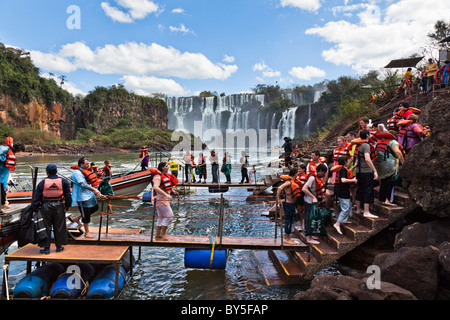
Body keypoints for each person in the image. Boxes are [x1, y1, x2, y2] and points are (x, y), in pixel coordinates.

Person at [31, 164, 72, 254]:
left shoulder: (42, 183)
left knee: (46, 227)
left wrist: (35, 209)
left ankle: (46, 248)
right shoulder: (63, 182)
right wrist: (67, 205)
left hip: (46, 206)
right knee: (60, 226)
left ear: (47, 172)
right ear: (56, 171)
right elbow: (68, 195)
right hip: (58, 205)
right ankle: (59, 246)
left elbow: (36, 198)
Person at [71, 157, 102, 238]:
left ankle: (77, 218)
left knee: (95, 208)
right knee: (86, 214)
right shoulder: (77, 173)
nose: (88, 165)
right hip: (81, 196)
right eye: (86, 164)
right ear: (81, 164)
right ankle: (87, 232)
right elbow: (83, 184)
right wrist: (94, 190)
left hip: (89, 194)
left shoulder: (87, 171)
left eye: (88, 163)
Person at [374, 131, 404, 206]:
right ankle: (387, 200)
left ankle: (382, 199)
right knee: (389, 182)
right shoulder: (393, 142)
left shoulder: (379, 142)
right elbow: (398, 152)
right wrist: (403, 163)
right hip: (390, 165)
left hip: (379, 164)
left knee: (383, 182)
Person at [353, 130, 378, 219]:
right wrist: (374, 170)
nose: (371, 135)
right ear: (367, 135)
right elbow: (367, 158)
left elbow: (356, 160)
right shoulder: (366, 145)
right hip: (366, 172)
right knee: (367, 190)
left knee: (359, 189)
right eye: (370, 134)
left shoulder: (358, 145)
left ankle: (359, 209)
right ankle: (366, 212)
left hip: (359, 171)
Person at [151, 162, 178, 240]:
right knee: (169, 216)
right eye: (166, 166)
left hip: (162, 199)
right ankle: (163, 234)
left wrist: (172, 191)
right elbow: (156, 187)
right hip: (160, 199)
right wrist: (166, 195)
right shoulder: (157, 177)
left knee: (161, 217)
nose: (168, 167)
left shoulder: (164, 176)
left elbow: (166, 185)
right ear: (162, 168)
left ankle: (157, 235)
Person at [302, 164, 327, 245]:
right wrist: (313, 197)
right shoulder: (312, 178)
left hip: (313, 202)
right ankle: (308, 238)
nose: (323, 175)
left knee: (311, 218)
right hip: (308, 201)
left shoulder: (318, 178)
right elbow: (304, 189)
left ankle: (310, 235)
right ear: (319, 171)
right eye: (323, 173)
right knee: (308, 218)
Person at [332, 157, 357, 235]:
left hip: (340, 190)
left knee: (348, 204)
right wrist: (353, 180)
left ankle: (345, 220)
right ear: (345, 162)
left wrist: (354, 166)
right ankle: (338, 223)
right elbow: (343, 180)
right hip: (342, 191)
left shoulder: (341, 169)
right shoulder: (342, 170)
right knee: (345, 207)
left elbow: (348, 172)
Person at [277, 167, 299, 244]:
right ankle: (288, 239)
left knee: (290, 220)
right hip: (288, 204)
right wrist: (279, 199)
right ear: (296, 174)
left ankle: (286, 236)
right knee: (288, 221)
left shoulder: (292, 181)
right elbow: (279, 188)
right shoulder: (289, 182)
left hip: (291, 204)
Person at [0, 137, 16, 211]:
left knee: (3, 185)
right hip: (2, 171)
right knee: (2, 185)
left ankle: (3, 203)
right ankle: (2, 204)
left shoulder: (3, 148)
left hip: (3, 171)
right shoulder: (6, 149)